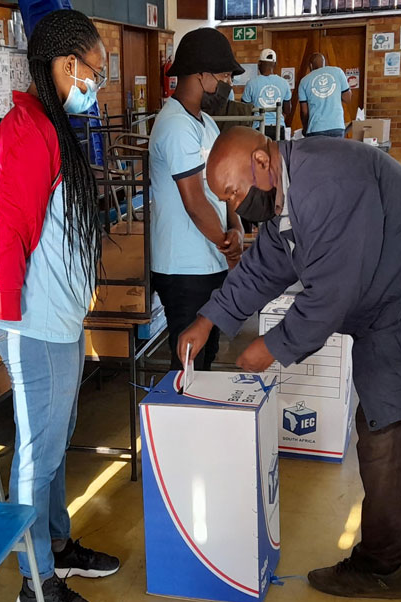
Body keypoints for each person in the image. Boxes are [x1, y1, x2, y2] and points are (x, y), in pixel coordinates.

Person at [178, 127, 401, 599]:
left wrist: (270, 347)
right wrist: (208, 320)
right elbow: (267, 264)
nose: (234, 205)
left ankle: (380, 568)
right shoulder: (290, 189)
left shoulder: (325, 183)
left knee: (388, 437)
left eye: (232, 192)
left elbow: (331, 293)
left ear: (261, 161)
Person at [0, 10, 119, 602]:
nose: (98, 84)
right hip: (33, 322)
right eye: (97, 71)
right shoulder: (27, 130)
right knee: (37, 452)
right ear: (68, 65)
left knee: (57, 437)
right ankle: (35, 586)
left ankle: (57, 546)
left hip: (60, 318)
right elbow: (2, 229)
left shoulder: (52, 126)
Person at [149, 27, 245, 371]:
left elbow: (224, 187)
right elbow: (194, 201)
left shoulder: (206, 124)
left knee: (205, 358)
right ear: (201, 75)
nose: (227, 84)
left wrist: (237, 228)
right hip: (183, 269)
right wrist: (227, 244)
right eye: (223, 77)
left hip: (210, 261)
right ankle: (177, 408)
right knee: (189, 365)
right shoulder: (176, 126)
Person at [298, 53, 351, 137]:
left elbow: (304, 111)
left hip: (315, 128)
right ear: (324, 63)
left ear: (310, 66)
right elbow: (347, 98)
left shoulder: (304, 81)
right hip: (336, 126)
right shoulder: (338, 72)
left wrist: (305, 129)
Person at [241, 48, 292, 135]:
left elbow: (244, 109)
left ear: (259, 64)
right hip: (279, 127)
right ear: (275, 64)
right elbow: (287, 110)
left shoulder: (251, 83)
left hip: (259, 127)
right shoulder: (284, 83)